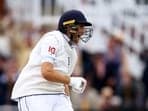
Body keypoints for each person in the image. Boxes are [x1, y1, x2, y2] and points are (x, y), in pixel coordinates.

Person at [11, 9, 93, 111]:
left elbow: (64, 82)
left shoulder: (73, 53)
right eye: (80, 26)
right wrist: (72, 81)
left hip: (58, 94)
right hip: (34, 91)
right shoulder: (53, 38)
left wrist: (67, 100)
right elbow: (46, 72)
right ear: (67, 27)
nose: (83, 31)